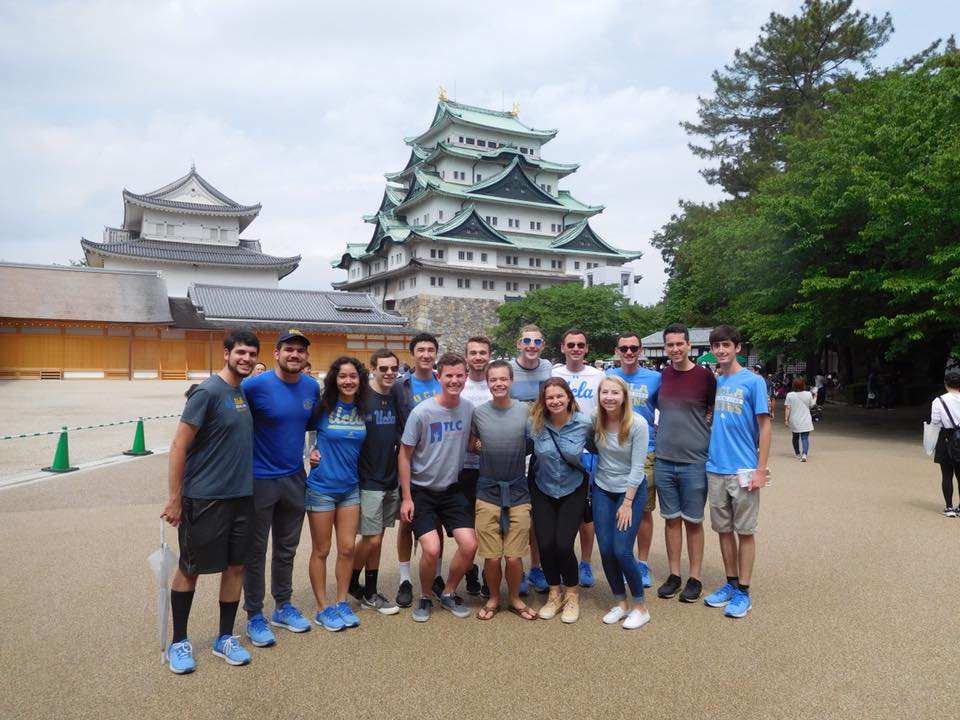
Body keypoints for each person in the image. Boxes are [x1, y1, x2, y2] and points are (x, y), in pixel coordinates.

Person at [161, 330, 260, 674]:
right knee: (191, 568)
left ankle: (224, 637)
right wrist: (175, 498)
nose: (246, 358)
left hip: (241, 497)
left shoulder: (240, 392)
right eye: (241, 353)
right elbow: (178, 446)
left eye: (251, 354)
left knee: (236, 567)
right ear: (227, 353)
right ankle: (179, 641)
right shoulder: (207, 391)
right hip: (204, 498)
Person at [240, 330, 318, 649]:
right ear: (276, 353)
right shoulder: (254, 385)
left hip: (293, 477)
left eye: (300, 351)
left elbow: (316, 425)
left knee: (287, 548)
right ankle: (254, 614)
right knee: (255, 551)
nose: (295, 355)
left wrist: (316, 452)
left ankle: (283, 605)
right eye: (289, 350)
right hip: (259, 479)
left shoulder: (311, 386)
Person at [399, 353, 478, 623]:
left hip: (452, 489)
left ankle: (448, 591)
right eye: (449, 376)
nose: (454, 380)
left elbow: (469, 442)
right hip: (422, 490)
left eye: (459, 375)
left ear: (466, 377)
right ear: (438, 377)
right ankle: (424, 595)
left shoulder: (468, 409)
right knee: (431, 549)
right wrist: (407, 497)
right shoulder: (422, 412)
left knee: (469, 545)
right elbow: (404, 455)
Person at [703, 325, 771, 619]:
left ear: (737, 348)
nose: (721, 350)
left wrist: (761, 469)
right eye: (717, 346)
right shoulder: (716, 381)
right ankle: (730, 583)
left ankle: (744, 590)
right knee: (723, 530)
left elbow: (765, 426)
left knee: (745, 531)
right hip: (715, 466)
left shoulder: (753, 382)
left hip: (743, 468)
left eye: (726, 345)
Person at [654, 323, 716, 604]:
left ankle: (695, 576)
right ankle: (674, 574)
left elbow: (714, 409)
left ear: (689, 345)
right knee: (670, 520)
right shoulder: (663, 375)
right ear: (665, 347)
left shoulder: (705, 377)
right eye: (670, 345)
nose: (675, 349)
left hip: (694, 461)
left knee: (693, 521)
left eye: (680, 344)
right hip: (665, 459)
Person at [470, 360, 536, 621]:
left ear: (511, 381)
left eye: (503, 379)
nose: (498, 384)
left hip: (518, 489)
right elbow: (471, 443)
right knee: (492, 556)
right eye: (493, 380)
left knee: (513, 555)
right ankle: (494, 597)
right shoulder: (479, 413)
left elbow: (533, 442)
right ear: (487, 383)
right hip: (487, 491)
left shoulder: (524, 411)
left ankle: (516, 598)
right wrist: (478, 447)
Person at [305, 357, 368, 632]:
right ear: (334, 379)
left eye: (353, 376)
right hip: (321, 488)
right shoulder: (323, 408)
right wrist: (309, 453)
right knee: (322, 549)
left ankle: (342, 601)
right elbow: (295, 430)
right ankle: (322, 607)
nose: (348, 381)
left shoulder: (363, 408)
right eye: (343, 376)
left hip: (350, 488)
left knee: (347, 548)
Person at [527, 378, 592, 623]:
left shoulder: (584, 424)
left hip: (573, 488)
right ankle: (554, 593)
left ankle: (572, 594)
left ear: (568, 397)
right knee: (545, 543)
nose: (555, 401)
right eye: (550, 397)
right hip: (542, 488)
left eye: (559, 396)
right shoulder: (534, 424)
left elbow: (601, 448)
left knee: (563, 544)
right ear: (543, 401)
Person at [592, 376, 651, 629]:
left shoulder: (637, 423)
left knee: (622, 550)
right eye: (605, 392)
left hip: (631, 491)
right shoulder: (597, 421)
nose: (609, 397)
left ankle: (640, 606)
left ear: (624, 396)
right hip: (603, 488)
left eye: (615, 393)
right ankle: (620, 602)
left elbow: (638, 467)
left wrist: (627, 503)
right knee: (605, 549)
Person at [348, 349, 403, 614]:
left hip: (389, 476)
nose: (389, 373)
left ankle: (370, 590)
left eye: (394, 368)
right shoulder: (361, 397)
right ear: (372, 368)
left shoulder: (395, 397)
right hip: (367, 478)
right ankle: (349, 579)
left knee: (378, 539)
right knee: (369, 539)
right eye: (384, 368)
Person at [392, 333, 442, 607]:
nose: (425, 354)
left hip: (438, 462)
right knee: (406, 521)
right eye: (420, 350)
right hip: (409, 460)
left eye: (430, 350)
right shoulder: (401, 386)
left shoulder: (443, 382)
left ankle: (435, 575)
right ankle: (404, 578)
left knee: (435, 522)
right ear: (412, 354)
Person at [607, 332, 661, 589]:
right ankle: (621, 555)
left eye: (633, 348)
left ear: (641, 350)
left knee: (643, 510)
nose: (629, 353)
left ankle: (642, 561)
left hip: (647, 450)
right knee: (613, 507)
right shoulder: (609, 378)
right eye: (624, 348)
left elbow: (666, 408)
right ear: (616, 351)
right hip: (614, 450)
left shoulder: (655, 378)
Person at [552, 328, 603, 588]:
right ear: (562, 347)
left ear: (586, 348)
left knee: (586, 513)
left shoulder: (598, 375)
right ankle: (560, 560)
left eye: (580, 345)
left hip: (587, 451)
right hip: (557, 450)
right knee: (559, 507)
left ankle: (585, 562)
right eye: (570, 344)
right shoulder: (554, 374)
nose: (575, 349)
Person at [510, 324, 554, 594]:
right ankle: (518, 569)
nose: (531, 345)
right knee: (516, 512)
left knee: (537, 511)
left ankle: (536, 567)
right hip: (514, 447)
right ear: (519, 343)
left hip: (541, 446)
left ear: (543, 345)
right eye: (527, 340)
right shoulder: (507, 369)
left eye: (536, 342)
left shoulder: (548, 368)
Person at [459, 336, 494, 596]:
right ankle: (469, 569)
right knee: (467, 523)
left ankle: (487, 570)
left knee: (490, 523)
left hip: (493, 467)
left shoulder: (497, 384)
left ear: (489, 355)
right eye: (474, 352)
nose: (478, 357)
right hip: (463, 467)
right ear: (466, 356)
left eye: (483, 352)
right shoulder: (459, 385)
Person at [930, 368, 960, 517]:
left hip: (946, 437)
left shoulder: (939, 401)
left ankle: (949, 507)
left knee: (947, 474)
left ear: (945, 384)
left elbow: (935, 422)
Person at [783, 376, 815, 461]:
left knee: (795, 437)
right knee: (805, 438)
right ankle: (804, 454)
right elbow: (812, 405)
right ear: (803, 385)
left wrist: (786, 419)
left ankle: (797, 453)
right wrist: (815, 397)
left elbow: (788, 408)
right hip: (806, 419)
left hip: (794, 419)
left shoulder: (790, 395)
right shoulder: (808, 394)